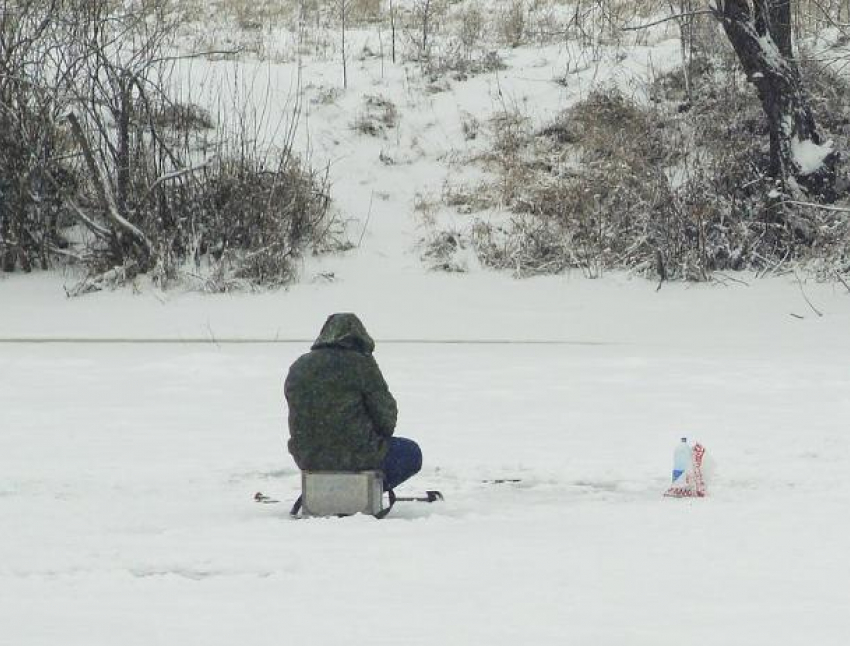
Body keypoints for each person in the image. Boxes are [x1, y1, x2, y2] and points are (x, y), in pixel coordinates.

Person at [284, 313, 422, 491]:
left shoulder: (300, 366)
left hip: (309, 457)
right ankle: (361, 493)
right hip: (358, 455)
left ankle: (329, 492)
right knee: (411, 453)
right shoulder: (361, 364)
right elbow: (386, 419)